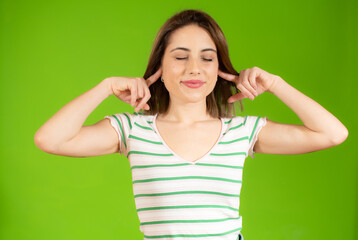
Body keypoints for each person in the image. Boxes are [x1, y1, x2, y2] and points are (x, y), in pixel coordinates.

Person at [34, 9, 348, 240]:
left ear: (220, 69)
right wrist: (106, 86)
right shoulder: (132, 131)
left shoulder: (242, 132)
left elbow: (333, 133)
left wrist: (276, 83)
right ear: (160, 66)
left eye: (207, 58)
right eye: (181, 57)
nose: (194, 69)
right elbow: (50, 140)